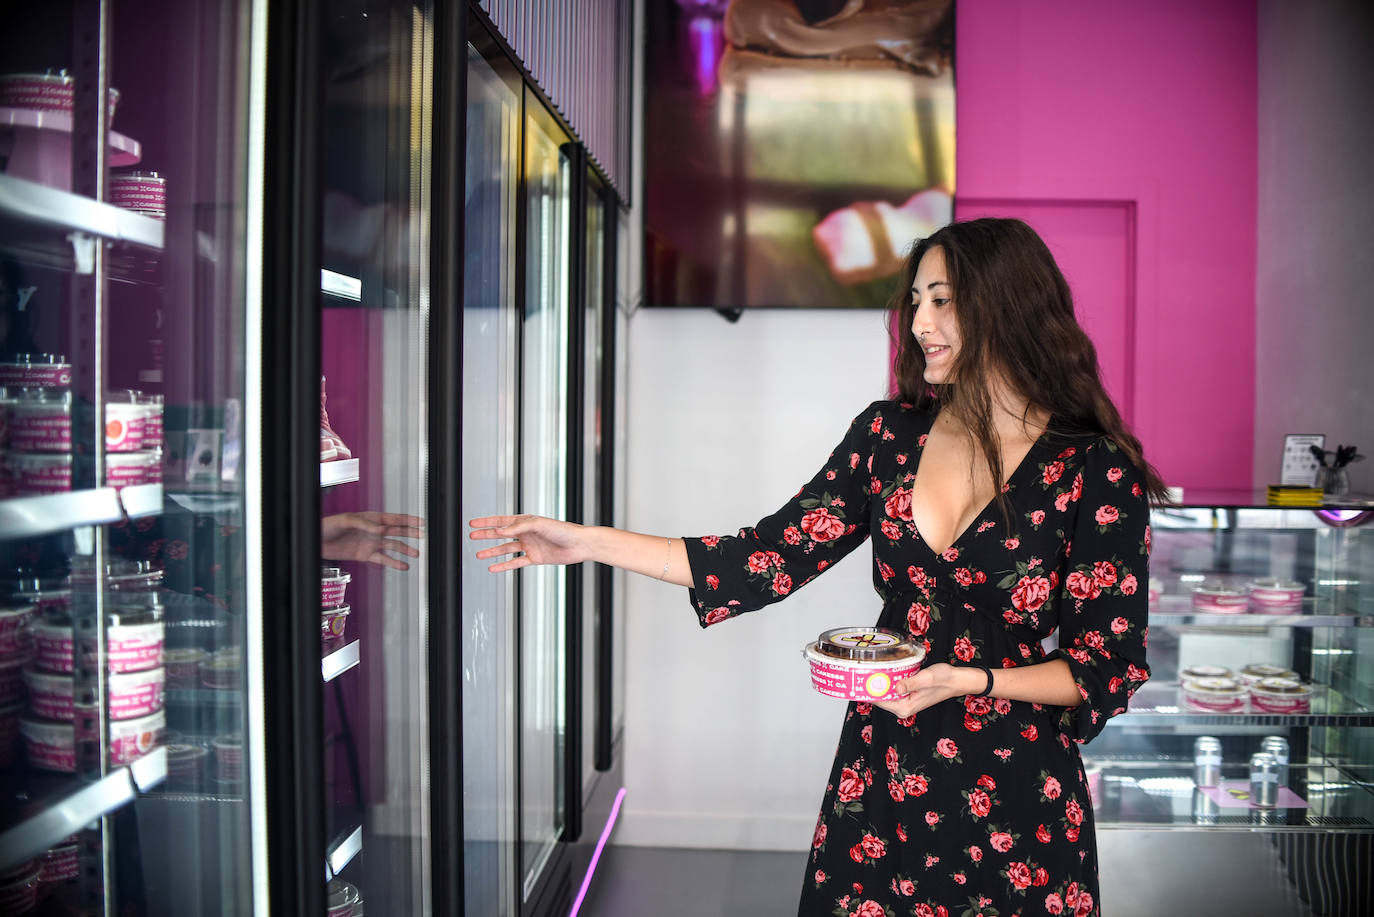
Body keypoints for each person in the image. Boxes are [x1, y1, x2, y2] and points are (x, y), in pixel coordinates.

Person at [470, 217, 1167, 917]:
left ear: (1006, 304)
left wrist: (975, 678)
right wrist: (591, 541)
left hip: (1020, 793)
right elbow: (762, 557)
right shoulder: (887, 437)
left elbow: (1104, 666)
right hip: (888, 772)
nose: (919, 319)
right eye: (916, 300)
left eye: (942, 299)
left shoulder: (1092, 467)